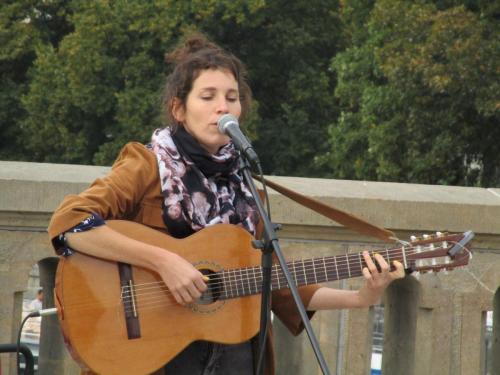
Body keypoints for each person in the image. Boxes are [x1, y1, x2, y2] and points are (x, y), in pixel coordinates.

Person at [48, 34, 404, 375]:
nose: (223, 106)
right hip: (157, 355)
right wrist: (164, 261)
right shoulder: (147, 164)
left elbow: (277, 285)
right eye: (208, 96)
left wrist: (362, 296)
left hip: (235, 354)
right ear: (179, 109)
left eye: (232, 97)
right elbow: (70, 223)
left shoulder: (247, 185)